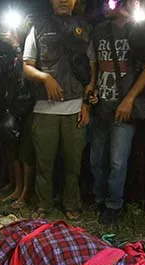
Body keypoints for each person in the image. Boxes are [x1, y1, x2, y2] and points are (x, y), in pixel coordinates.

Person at [86, 0, 145, 227]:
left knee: (117, 161)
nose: (109, 4)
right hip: (101, 107)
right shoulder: (99, 30)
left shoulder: (138, 30)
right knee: (97, 158)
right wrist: (93, 88)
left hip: (123, 107)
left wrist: (129, 99)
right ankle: (99, 198)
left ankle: (114, 206)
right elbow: (94, 64)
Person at [22, 0, 92, 220]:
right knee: (44, 163)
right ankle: (43, 203)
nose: (63, 1)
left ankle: (71, 203)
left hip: (75, 108)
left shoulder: (85, 28)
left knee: (73, 164)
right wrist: (45, 78)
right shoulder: (38, 26)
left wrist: (87, 103)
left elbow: (92, 67)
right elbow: (26, 66)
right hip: (44, 108)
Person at [0, 38, 36, 208]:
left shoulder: (20, 58)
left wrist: (17, 47)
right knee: (11, 152)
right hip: (8, 112)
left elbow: (24, 75)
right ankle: (16, 187)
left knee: (25, 154)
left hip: (26, 110)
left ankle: (25, 192)